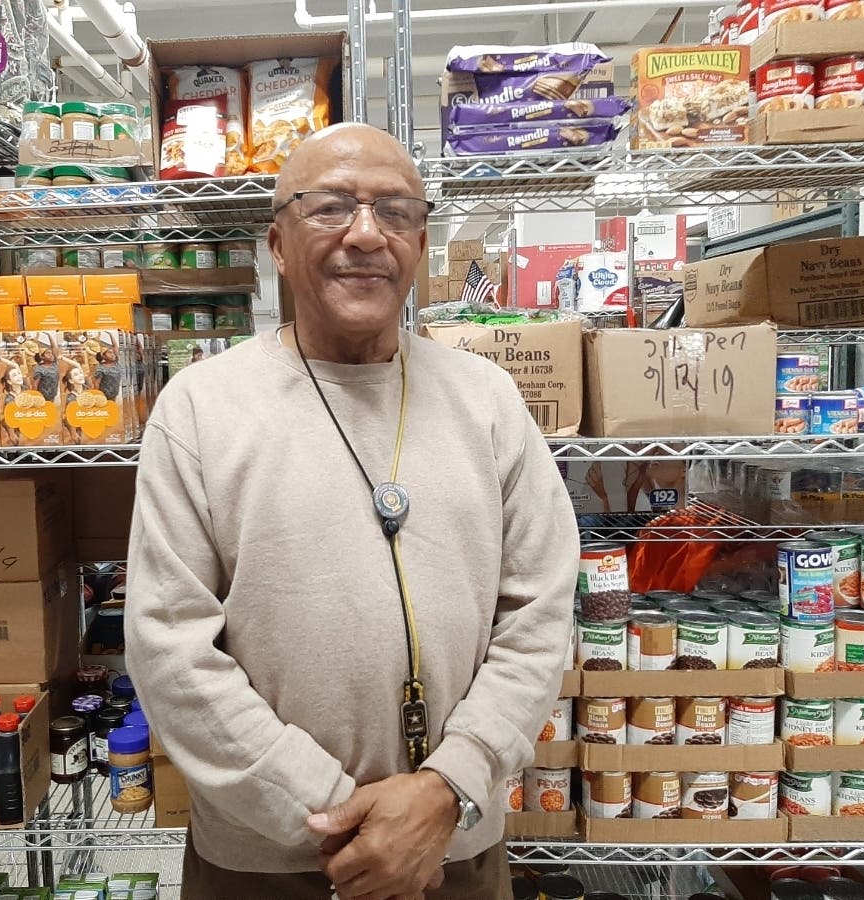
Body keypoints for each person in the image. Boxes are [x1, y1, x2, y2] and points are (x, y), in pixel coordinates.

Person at [125, 123, 577, 900]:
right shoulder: (201, 408)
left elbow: (539, 611)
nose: (365, 235)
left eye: (394, 211)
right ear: (275, 241)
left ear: (422, 240)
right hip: (265, 864)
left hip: (454, 848)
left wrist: (443, 792)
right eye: (330, 206)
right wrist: (347, 818)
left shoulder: (488, 401)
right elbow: (170, 649)